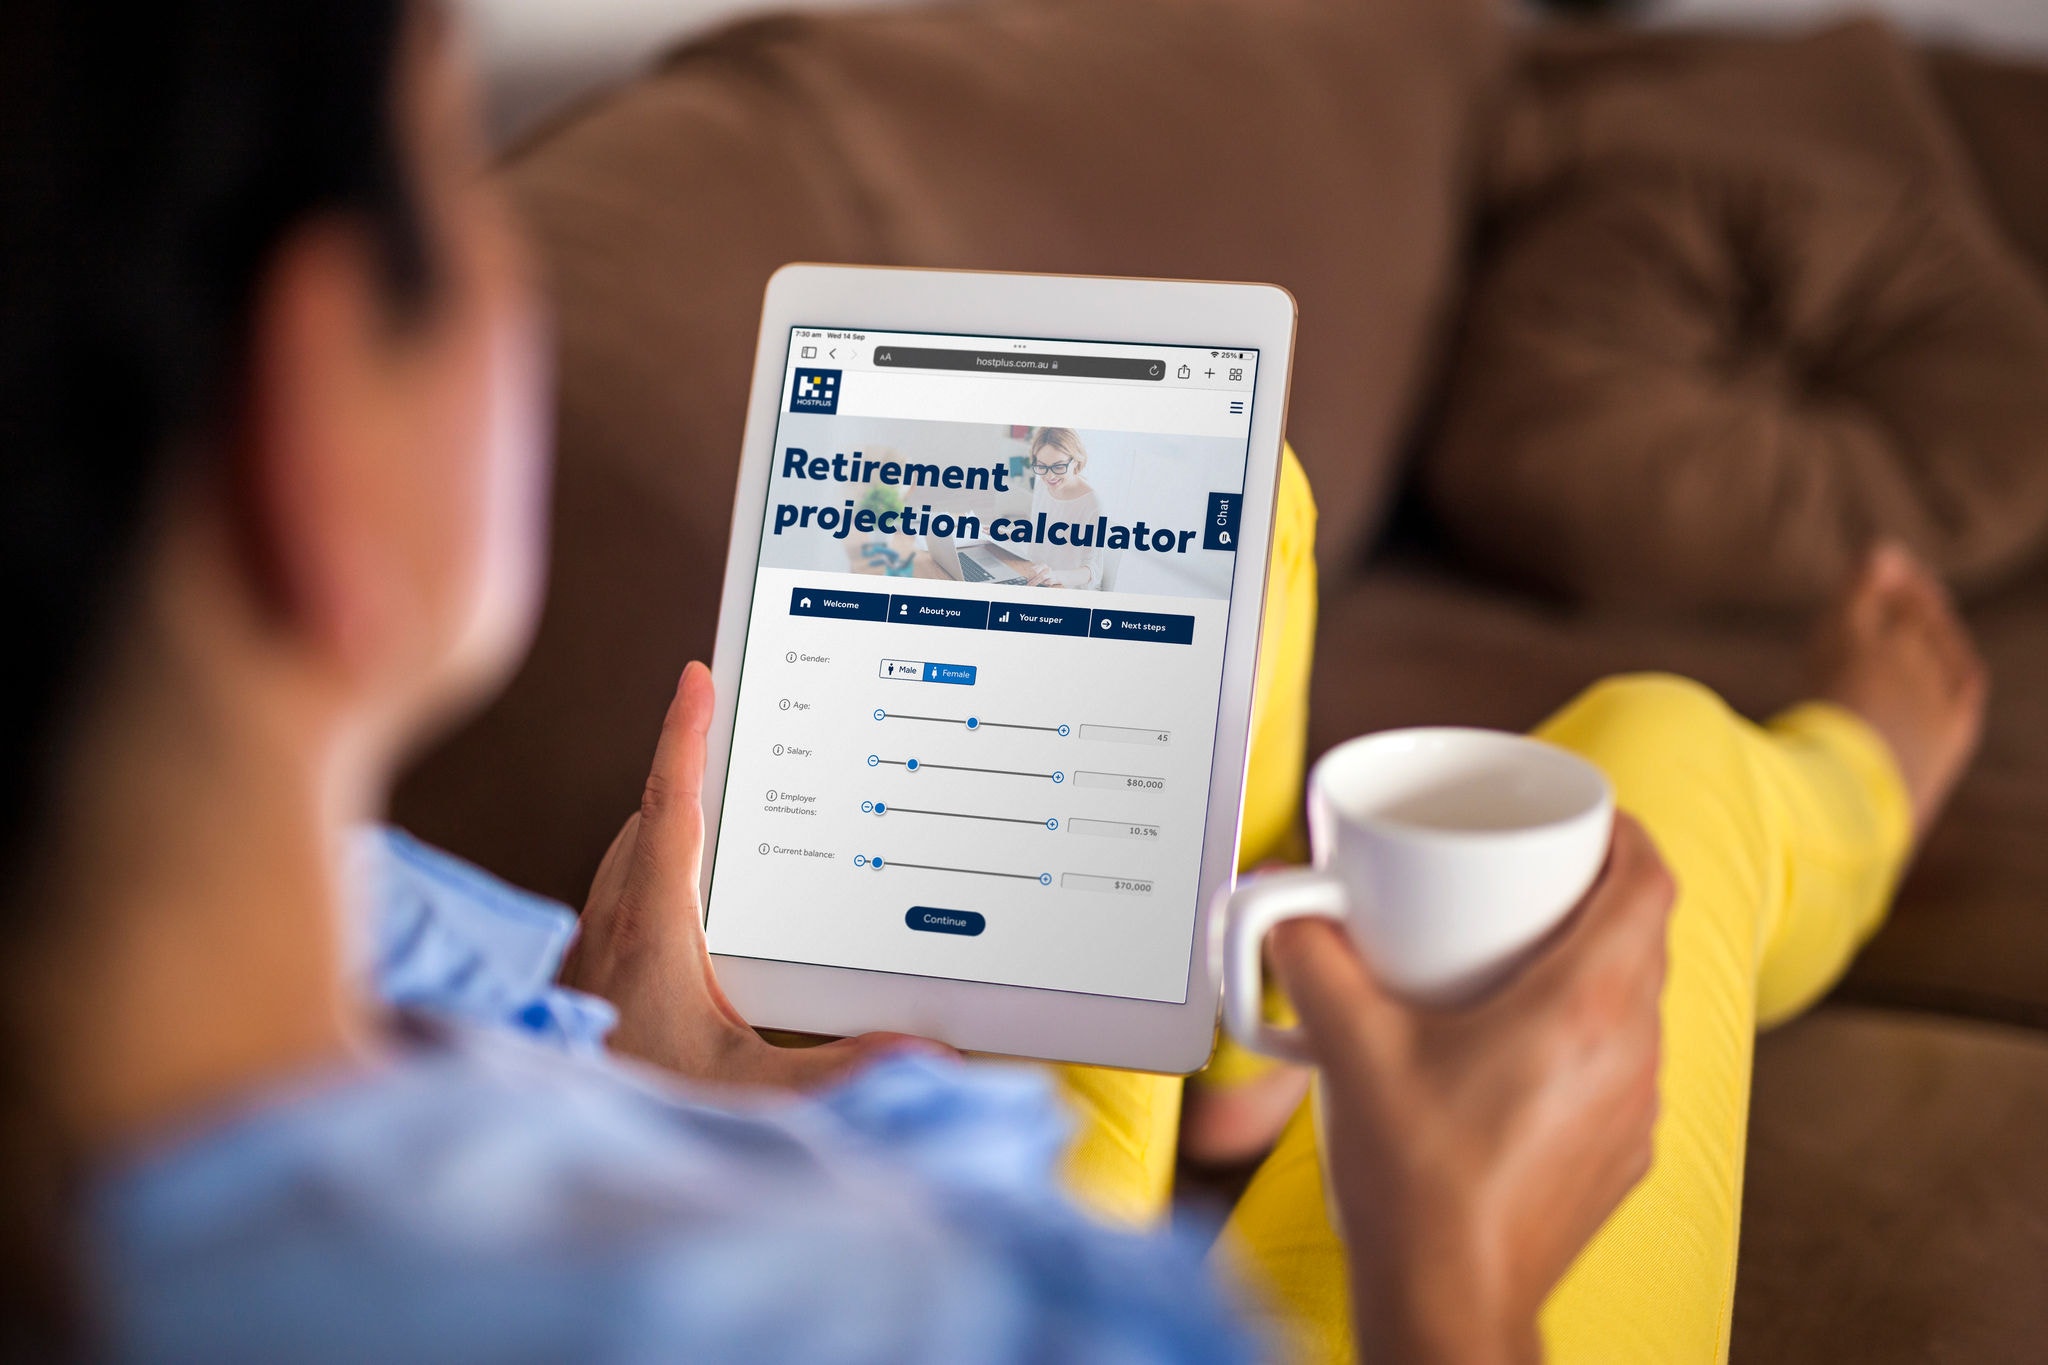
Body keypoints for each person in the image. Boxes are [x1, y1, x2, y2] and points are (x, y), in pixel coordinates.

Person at [0, 2, 1986, 1362]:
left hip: (830, 1134)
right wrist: (1470, 1259)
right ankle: (1861, 775)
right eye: (468, 163)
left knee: (1211, 504)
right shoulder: (897, 1316)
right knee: (1643, 783)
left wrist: (641, 1093)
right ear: (311, 437)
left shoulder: (347, 937)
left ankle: (1242, 1016)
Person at [1019, 426, 1108, 588]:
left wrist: (1056, 576)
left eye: (1059, 466)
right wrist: (1009, 533)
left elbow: (1093, 570)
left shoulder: (1092, 503)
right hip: (1039, 581)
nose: (1049, 476)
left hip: (1068, 589)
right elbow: (1043, 534)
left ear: (1076, 461)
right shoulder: (1042, 487)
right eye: (1042, 466)